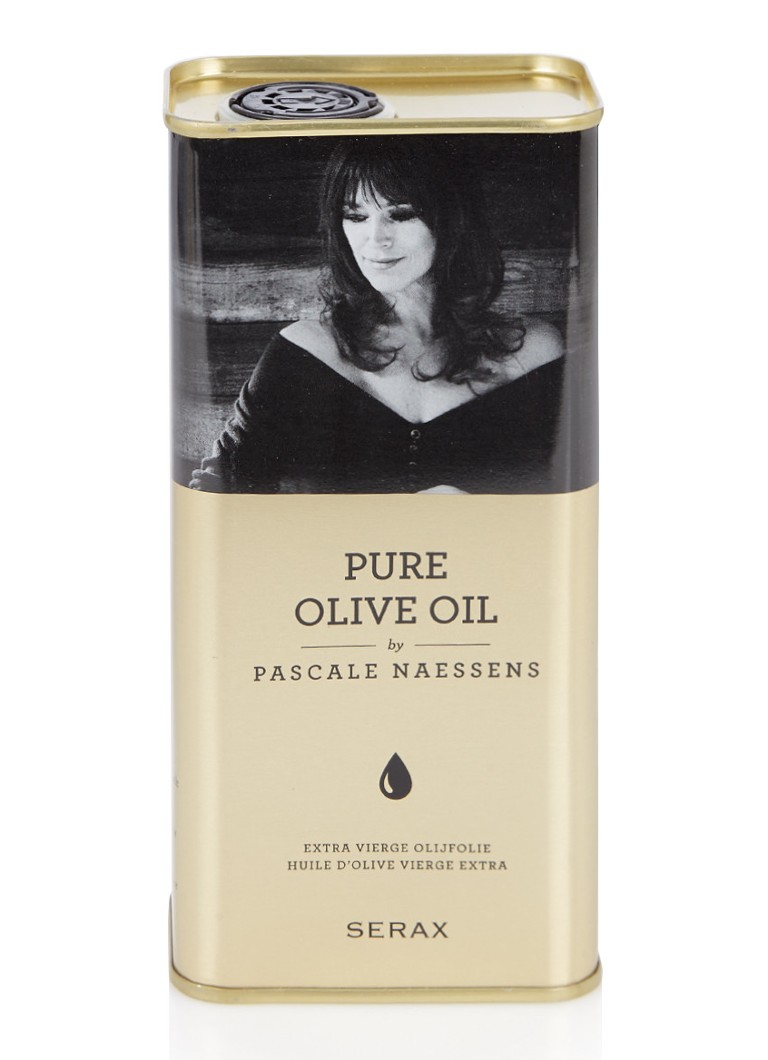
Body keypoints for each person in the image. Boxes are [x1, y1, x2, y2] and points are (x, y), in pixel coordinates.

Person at [190, 139, 564, 495]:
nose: (375, 239)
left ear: (452, 218)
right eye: (355, 216)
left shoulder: (535, 352)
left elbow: (566, 506)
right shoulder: (304, 352)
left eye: (401, 214)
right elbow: (216, 499)